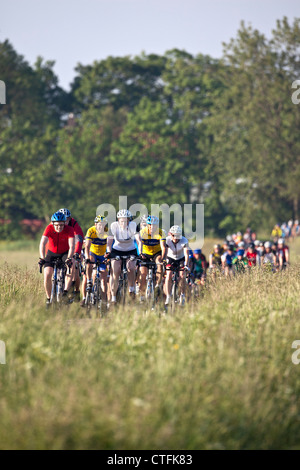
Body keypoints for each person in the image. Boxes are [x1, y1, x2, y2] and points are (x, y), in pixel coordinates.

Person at [38, 211, 75, 305]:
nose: (59, 227)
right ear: (53, 223)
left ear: (64, 223)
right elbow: (42, 243)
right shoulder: (49, 228)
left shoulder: (69, 229)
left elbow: (72, 246)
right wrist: (42, 258)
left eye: (61, 225)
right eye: (57, 225)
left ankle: (65, 291)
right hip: (51, 253)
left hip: (65, 253)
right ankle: (48, 298)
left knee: (71, 266)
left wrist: (69, 258)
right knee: (47, 274)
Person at [105, 209, 137, 304]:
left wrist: (141, 252)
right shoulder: (114, 226)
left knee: (131, 267)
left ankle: (131, 289)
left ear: (129, 220)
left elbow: (139, 241)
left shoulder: (133, 226)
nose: (123, 222)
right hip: (117, 250)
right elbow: (109, 242)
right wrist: (108, 252)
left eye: (126, 220)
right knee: (116, 271)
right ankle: (113, 297)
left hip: (130, 250)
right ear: (118, 220)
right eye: (121, 220)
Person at [135, 215, 166, 302]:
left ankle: (157, 285)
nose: (152, 227)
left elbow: (163, 247)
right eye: (150, 225)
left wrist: (163, 259)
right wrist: (140, 254)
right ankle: (141, 295)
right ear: (147, 225)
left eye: (154, 225)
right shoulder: (142, 232)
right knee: (143, 273)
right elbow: (140, 244)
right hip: (146, 253)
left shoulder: (161, 232)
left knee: (159, 262)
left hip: (157, 253)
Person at [81, 215, 108, 307]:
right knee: (90, 262)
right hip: (92, 253)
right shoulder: (91, 231)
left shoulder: (108, 232)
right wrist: (87, 258)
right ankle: (89, 281)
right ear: (95, 225)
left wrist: (108, 258)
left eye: (103, 225)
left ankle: (104, 302)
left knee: (104, 280)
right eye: (99, 225)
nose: (101, 227)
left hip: (103, 255)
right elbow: (87, 246)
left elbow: (110, 246)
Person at [58, 208, 84, 302]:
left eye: (67, 219)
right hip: (62, 248)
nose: (65, 221)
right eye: (63, 219)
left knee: (75, 268)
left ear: (70, 218)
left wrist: (77, 252)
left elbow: (79, 238)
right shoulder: (56, 223)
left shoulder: (73, 224)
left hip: (73, 248)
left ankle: (76, 291)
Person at [163, 225, 190, 307]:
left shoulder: (184, 240)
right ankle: (168, 296)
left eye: (178, 236)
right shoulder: (167, 240)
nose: (176, 238)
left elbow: (186, 254)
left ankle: (182, 295)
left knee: (182, 276)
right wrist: (164, 261)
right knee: (169, 275)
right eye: (174, 235)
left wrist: (186, 265)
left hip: (181, 259)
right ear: (170, 235)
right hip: (170, 258)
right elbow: (165, 251)